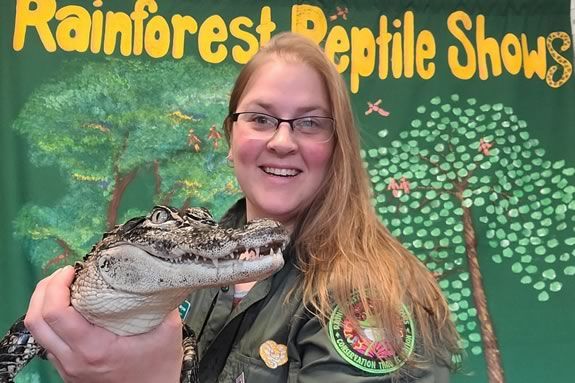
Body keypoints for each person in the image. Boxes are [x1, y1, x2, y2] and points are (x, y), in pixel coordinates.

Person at [24, 32, 460, 382]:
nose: (282, 141)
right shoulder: (201, 262)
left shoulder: (369, 295)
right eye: (261, 118)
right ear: (231, 138)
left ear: (338, 146)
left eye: (310, 123)